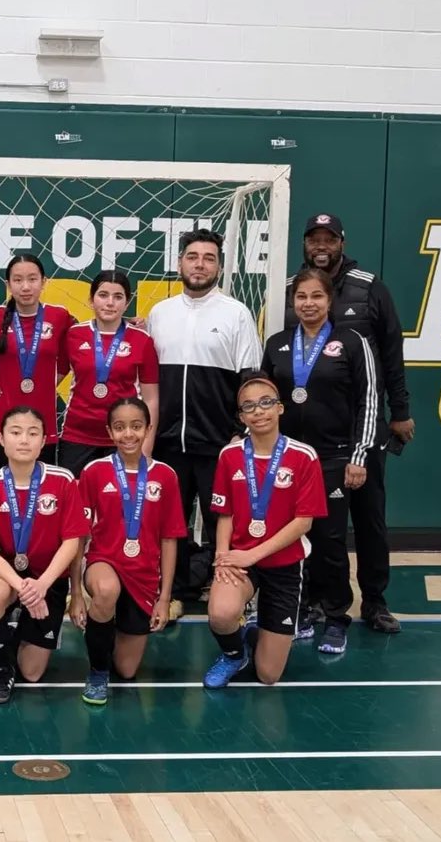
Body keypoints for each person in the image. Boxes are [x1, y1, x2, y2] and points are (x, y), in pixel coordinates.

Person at [285, 213, 411, 634]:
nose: (321, 245)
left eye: (329, 239)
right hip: (314, 437)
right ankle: (321, 599)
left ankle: (374, 601)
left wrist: (401, 412)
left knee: (370, 520)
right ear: (305, 243)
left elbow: (392, 352)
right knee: (322, 527)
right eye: (313, 239)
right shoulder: (292, 287)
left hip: (365, 430)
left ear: (341, 242)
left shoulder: (369, 286)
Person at [262, 267, 380, 654]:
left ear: (330, 301)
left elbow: (368, 400)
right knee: (291, 538)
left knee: (329, 541)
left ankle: (336, 616)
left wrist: (358, 456)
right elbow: (264, 398)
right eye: (301, 297)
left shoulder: (351, 341)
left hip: (332, 458)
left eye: (316, 297)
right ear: (292, 302)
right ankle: (302, 609)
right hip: (287, 458)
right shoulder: (278, 343)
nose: (308, 304)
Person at [145, 229, 261, 607]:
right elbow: (147, 381)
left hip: (218, 445)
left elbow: (250, 380)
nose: (199, 264)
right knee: (171, 523)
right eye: (192, 256)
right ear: (179, 263)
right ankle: (176, 592)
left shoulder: (236, 314)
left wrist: (236, 434)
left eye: (208, 258)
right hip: (167, 444)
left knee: (222, 522)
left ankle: (227, 588)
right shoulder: (160, 313)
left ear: (220, 266)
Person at [203, 374, 327, 689]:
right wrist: (222, 556)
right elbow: (225, 513)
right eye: (249, 407)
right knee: (220, 613)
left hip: (284, 564)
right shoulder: (229, 456)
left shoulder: (304, 456)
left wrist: (252, 553)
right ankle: (233, 654)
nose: (258, 411)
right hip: (241, 560)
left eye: (266, 403)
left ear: (280, 408)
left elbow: (304, 522)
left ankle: (257, 632)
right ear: (242, 417)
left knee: (268, 676)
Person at [69, 397, 185, 705]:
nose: (128, 434)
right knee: (106, 591)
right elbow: (78, 536)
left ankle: (105, 624)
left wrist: (164, 598)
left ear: (148, 429)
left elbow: (170, 539)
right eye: (120, 427)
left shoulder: (166, 476)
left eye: (136, 426)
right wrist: (77, 594)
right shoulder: (94, 472)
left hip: (144, 576)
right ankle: (96, 671)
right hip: (103, 563)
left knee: (128, 669)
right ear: (109, 432)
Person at [0, 407, 90, 703]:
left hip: (47, 579)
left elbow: (72, 542)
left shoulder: (63, 480)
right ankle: (2, 669)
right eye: (15, 432)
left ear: (44, 441)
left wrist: (43, 587)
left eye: (33, 433)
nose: (23, 440)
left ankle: (21, 630)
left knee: (33, 673)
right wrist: (23, 587)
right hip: (11, 575)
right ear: (1, 439)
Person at [59, 272, 158, 477]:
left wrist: (145, 448)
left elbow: (151, 398)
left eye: (118, 297)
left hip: (125, 438)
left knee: (119, 506)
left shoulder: (142, 340)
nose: (110, 303)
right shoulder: (74, 335)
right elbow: (50, 377)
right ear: (91, 299)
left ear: (127, 302)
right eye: (103, 295)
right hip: (77, 435)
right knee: (77, 505)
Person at [0, 254, 73, 474]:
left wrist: (46, 382)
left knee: (44, 492)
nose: (25, 287)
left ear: (44, 282)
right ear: (8, 284)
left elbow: (66, 361)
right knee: (0, 491)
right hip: (2, 424)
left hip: (44, 424)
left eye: (32, 279)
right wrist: (5, 377)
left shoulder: (59, 316)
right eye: (18, 280)